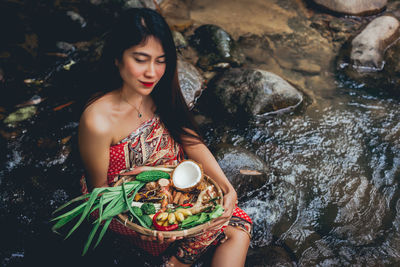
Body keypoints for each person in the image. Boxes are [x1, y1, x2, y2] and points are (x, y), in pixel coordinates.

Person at [78, 8, 252, 266]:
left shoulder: (159, 93)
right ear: (117, 58)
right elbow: (100, 197)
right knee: (219, 227)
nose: (152, 72)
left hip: (176, 190)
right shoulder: (98, 120)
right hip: (131, 208)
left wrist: (228, 188)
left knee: (238, 226)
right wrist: (148, 223)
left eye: (161, 60)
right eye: (141, 59)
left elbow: (190, 139)